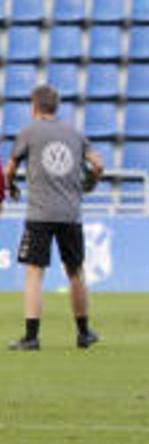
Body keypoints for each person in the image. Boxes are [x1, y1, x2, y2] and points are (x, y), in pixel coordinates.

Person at [5, 85, 103, 351]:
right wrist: (90, 183)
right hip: (70, 214)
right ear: (56, 107)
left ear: (34, 106)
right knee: (75, 272)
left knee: (35, 273)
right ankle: (84, 333)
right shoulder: (74, 134)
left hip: (39, 213)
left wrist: (12, 186)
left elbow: (9, 168)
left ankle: (31, 336)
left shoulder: (28, 132)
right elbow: (98, 164)